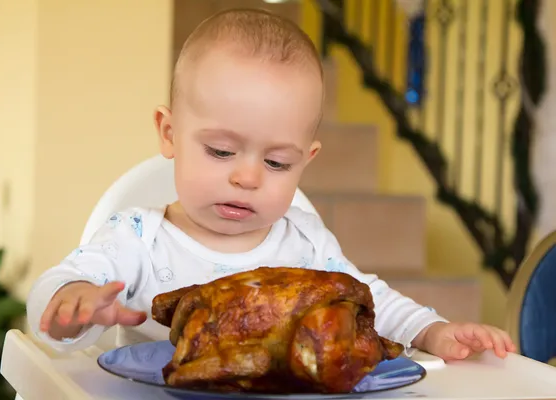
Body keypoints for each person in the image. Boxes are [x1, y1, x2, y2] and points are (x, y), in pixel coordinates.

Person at [26, 8, 515, 361]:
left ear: (307, 160)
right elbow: (55, 290)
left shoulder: (304, 244)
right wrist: (71, 303)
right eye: (220, 151)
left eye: (278, 162)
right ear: (169, 133)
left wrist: (431, 330)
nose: (247, 177)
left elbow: (368, 300)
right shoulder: (136, 239)